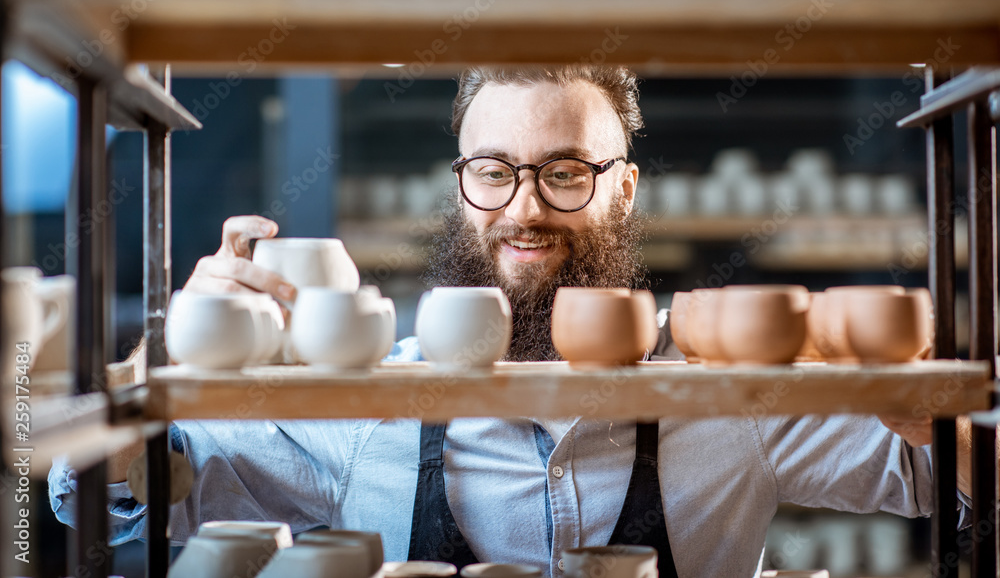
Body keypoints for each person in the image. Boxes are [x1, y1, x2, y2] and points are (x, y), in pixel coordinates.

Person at [51, 65, 972, 578]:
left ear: (625, 191)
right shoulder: (359, 400)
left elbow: (953, 479)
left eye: (566, 171)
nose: (524, 207)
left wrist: (929, 402)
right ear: (461, 186)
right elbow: (87, 485)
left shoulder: (733, 396)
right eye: (493, 170)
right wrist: (166, 356)